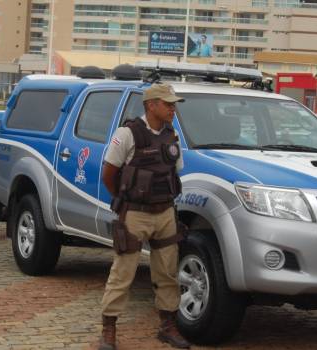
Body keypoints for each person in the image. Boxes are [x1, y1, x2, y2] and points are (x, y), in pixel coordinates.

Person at [98, 82, 190, 350]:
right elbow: (108, 174)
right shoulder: (127, 134)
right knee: (122, 273)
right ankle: (109, 330)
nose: (173, 108)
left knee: (167, 273)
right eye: (167, 103)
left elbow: (175, 171)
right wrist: (125, 200)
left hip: (165, 213)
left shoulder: (171, 135)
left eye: (173, 104)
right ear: (151, 105)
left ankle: (168, 326)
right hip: (135, 214)